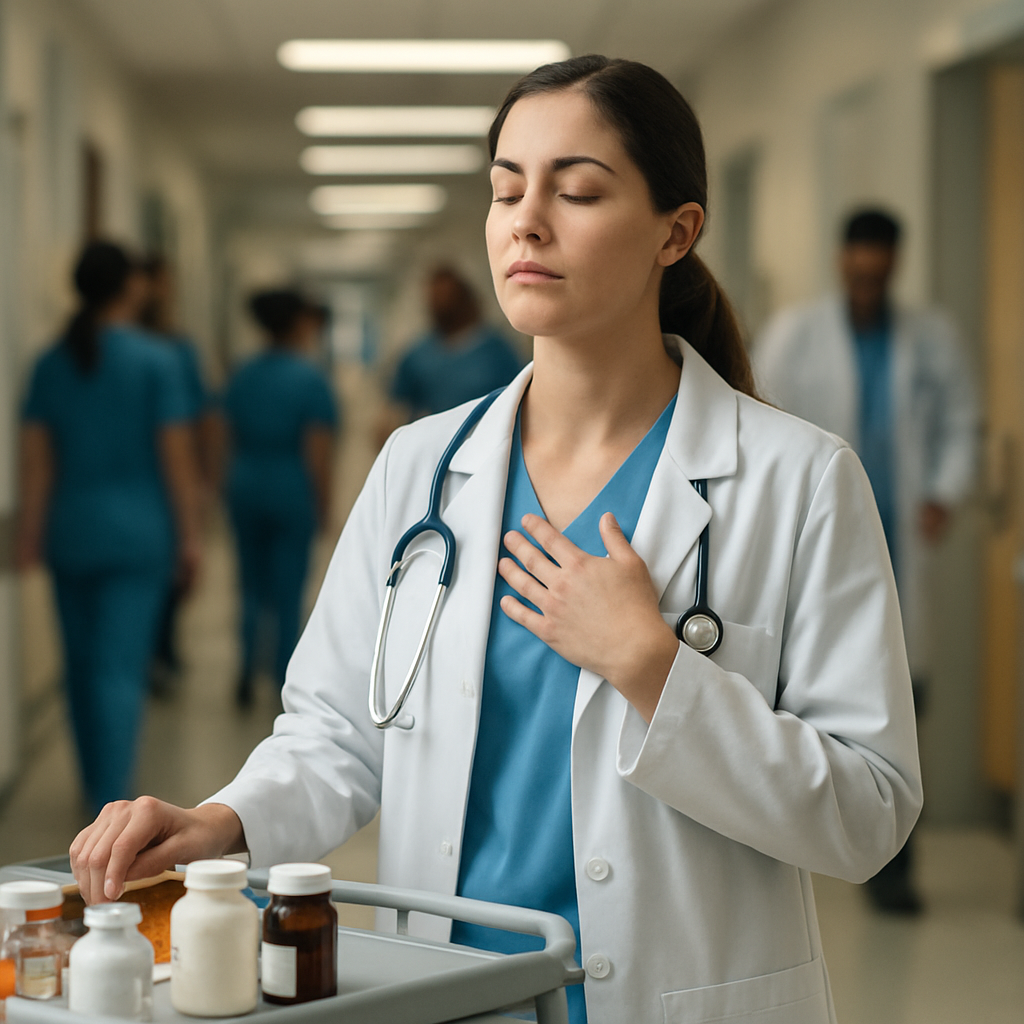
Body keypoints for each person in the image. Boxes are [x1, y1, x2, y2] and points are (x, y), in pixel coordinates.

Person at [69, 57, 921, 1024]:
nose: (528, 218)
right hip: (449, 994)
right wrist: (223, 821)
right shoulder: (421, 467)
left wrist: (655, 670)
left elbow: (869, 817)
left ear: (675, 233)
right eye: (507, 188)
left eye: (580, 190)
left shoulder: (797, 479)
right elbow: (337, 734)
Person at [753, 208, 978, 915]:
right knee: (815, 693)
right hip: (816, 538)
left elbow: (960, 420)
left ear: (894, 264)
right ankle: (812, 840)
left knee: (900, 697)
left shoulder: (930, 338)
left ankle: (892, 865)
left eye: (881, 266)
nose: (868, 276)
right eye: (860, 262)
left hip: (898, 540)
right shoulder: (796, 333)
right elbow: (759, 414)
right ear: (842, 258)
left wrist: (944, 490)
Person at [15, 240, 201, 814]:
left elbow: (38, 464)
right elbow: (175, 457)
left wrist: (29, 535)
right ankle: (108, 796)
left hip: (72, 534)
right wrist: (190, 534)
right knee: (120, 671)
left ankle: (89, 781)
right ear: (133, 287)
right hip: (138, 536)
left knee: (79, 668)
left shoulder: (51, 363)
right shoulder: (155, 361)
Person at [219, 289, 338, 708]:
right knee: (288, 591)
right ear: (298, 324)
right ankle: (283, 679)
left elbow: (224, 435)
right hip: (290, 488)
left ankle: (246, 673)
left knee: (250, 585)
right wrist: (323, 503)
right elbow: (317, 450)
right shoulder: (309, 379)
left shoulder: (243, 374)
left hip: (246, 483)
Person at [137, 253, 215, 695]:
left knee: (169, 582)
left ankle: (162, 649)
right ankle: (156, 654)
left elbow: (200, 418)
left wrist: (204, 477)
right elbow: (186, 428)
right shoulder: (161, 355)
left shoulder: (177, 350)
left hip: (153, 491)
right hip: (152, 493)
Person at [376, 266, 522, 443]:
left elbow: (518, 403)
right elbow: (393, 411)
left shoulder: (497, 353)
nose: (440, 303)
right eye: (434, 298)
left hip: (484, 443)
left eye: (447, 296)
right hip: (431, 448)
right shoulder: (417, 356)